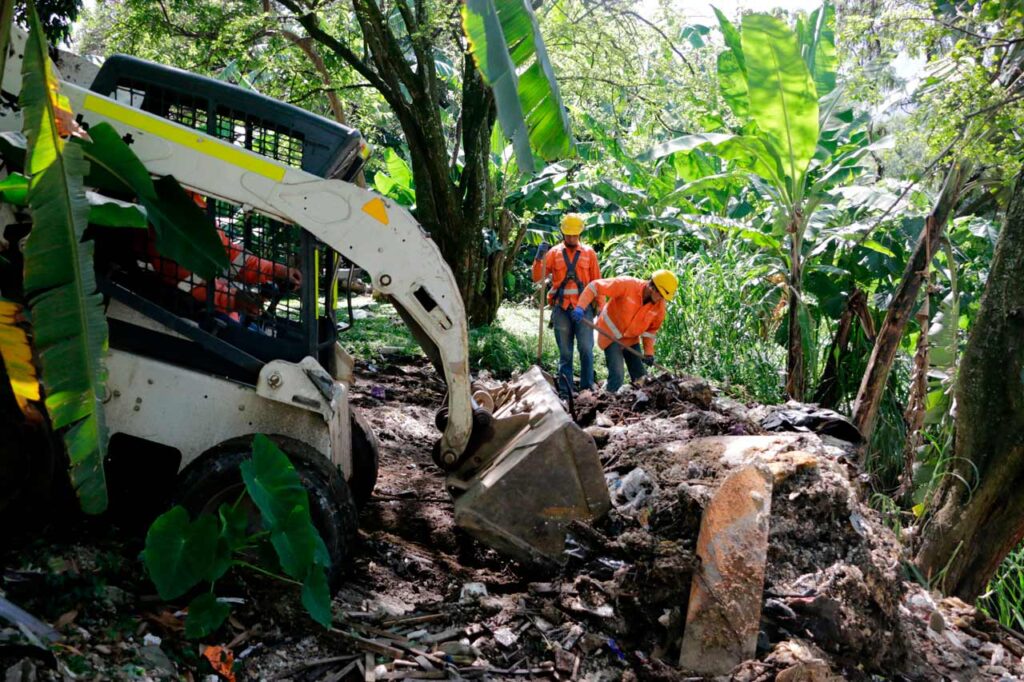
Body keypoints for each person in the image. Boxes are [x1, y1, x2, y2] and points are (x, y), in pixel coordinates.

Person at [573, 270, 678, 393]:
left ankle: (638, 406)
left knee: (641, 378)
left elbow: (651, 331)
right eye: (660, 295)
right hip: (610, 336)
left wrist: (649, 353)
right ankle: (606, 402)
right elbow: (594, 286)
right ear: (652, 287)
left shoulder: (659, 307)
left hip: (630, 340)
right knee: (617, 376)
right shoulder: (627, 285)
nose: (661, 299)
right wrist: (581, 306)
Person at [532, 213, 601, 395]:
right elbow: (537, 278)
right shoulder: (553, 253)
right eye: (568, 235)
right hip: (561, 309)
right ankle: (565, 392)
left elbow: (597, 282)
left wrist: (599, 306)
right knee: (565, 353)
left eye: (574, 235)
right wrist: (539, 260)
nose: (571, 238)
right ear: (563, 233)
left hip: (583, 309)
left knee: (586, 349)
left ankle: (587, 389)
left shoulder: (589, 253)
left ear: (580, 234)